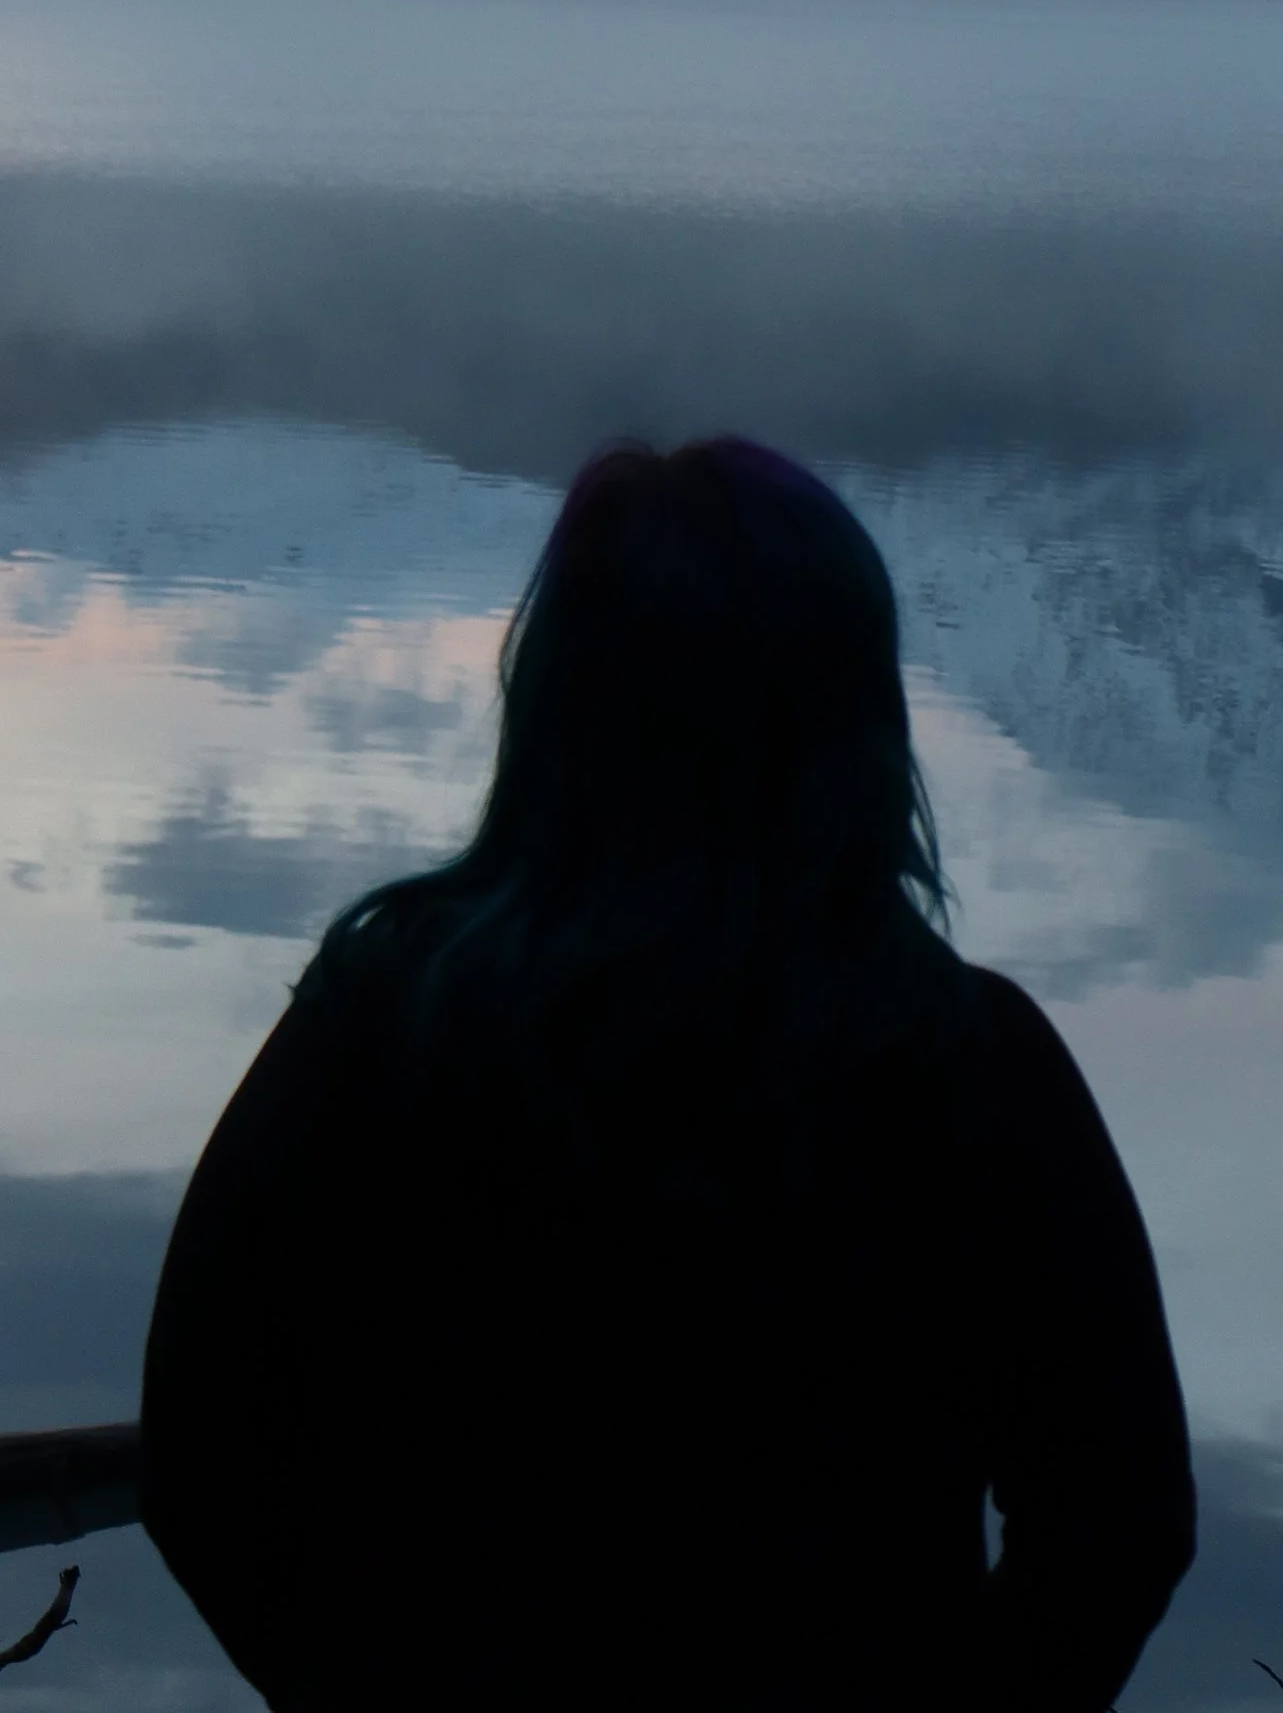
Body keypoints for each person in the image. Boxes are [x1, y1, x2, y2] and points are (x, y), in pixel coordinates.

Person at [139, 437, 1195, 1712]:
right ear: (854, 714)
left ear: (554, 699)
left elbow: (204, 1452)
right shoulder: (969, 1067)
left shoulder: (380, 1026)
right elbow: (1121, 1517)